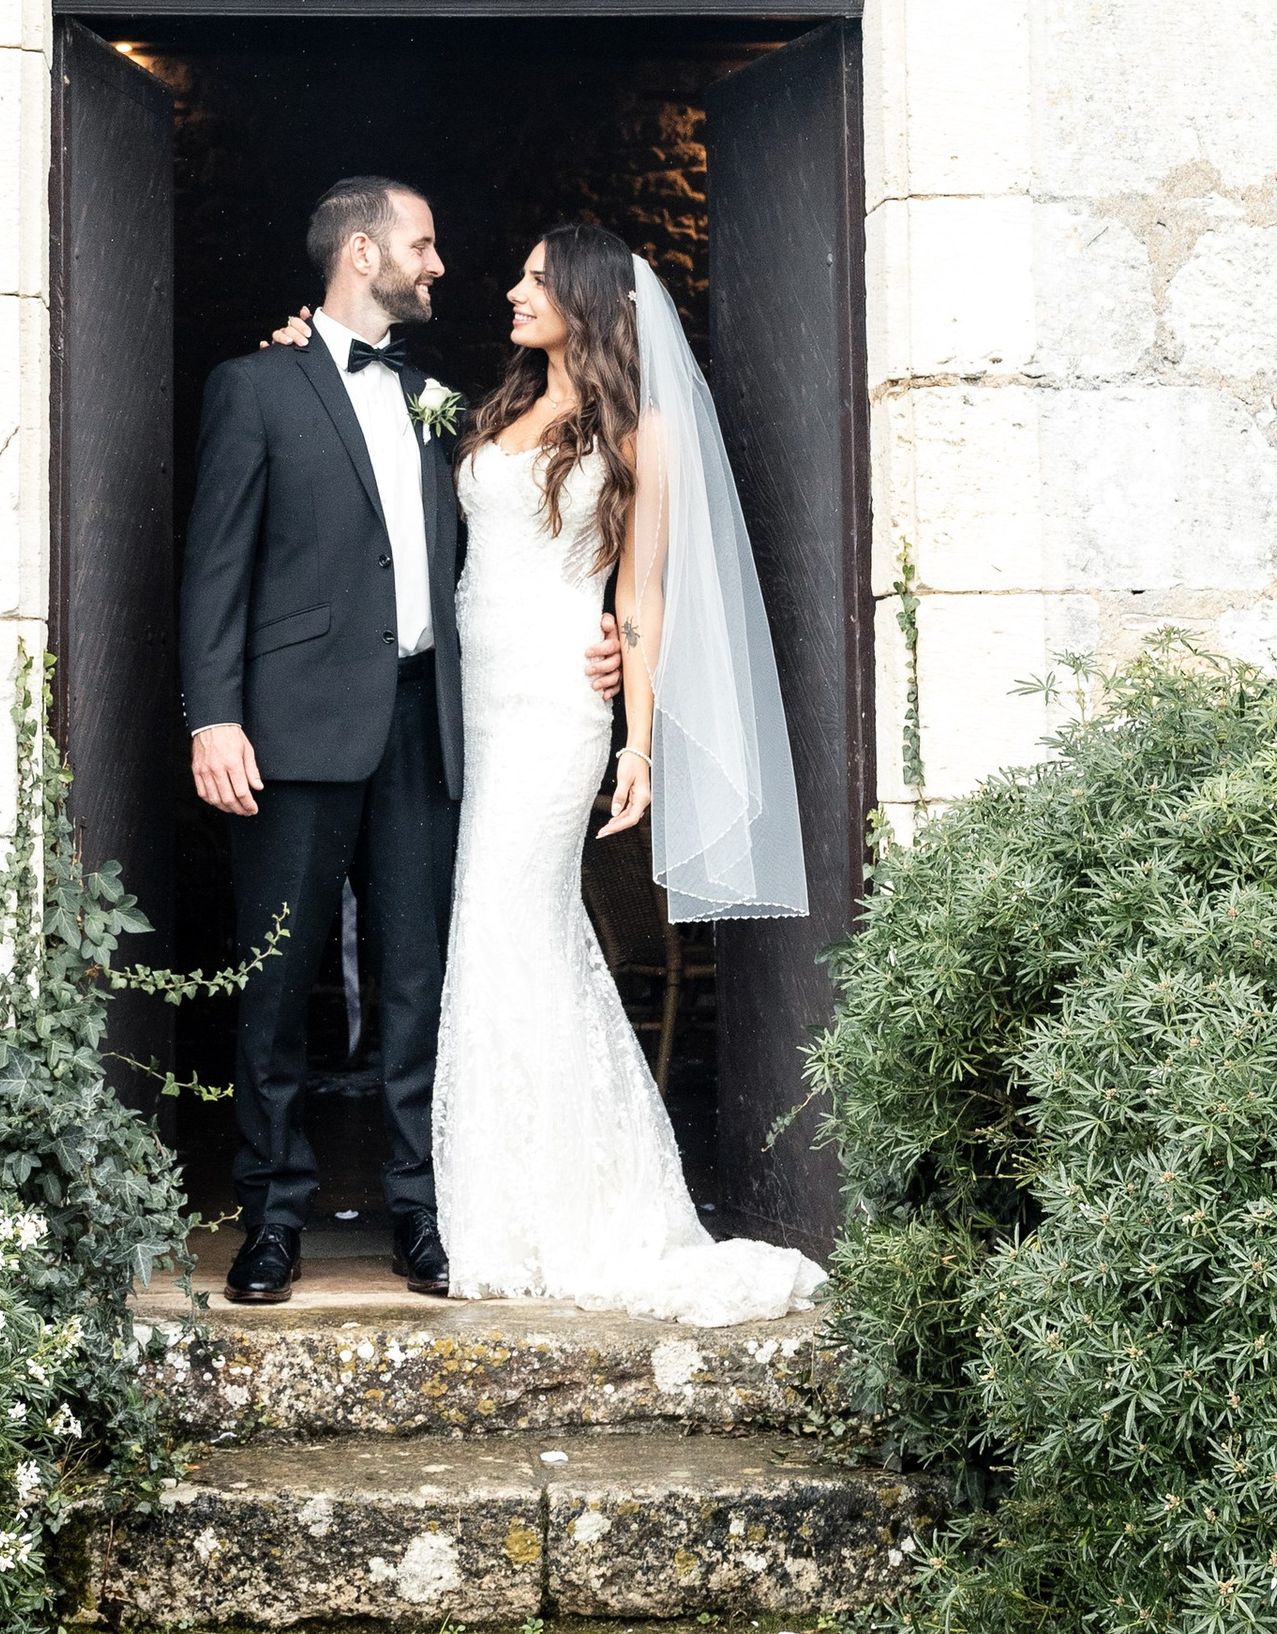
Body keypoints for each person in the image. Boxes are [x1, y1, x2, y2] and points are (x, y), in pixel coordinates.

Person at [178, 175, 621, 1309]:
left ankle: (423, 1216)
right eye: (423, 247)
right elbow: (216, 563)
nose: (439, 269)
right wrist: (212, 714)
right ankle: (272, 1217)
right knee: (277, 982)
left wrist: (605, 632)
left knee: (420, 979)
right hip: (290, 729)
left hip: (432, 725)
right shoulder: (253, 384)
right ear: (364, 250)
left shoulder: (445, 402)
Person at [434, 222, 823, 1319]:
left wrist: (638, 744)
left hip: (561, 702)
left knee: (515, 922)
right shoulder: (504, 408)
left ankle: (561, 1212)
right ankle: (506, 1198)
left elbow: (638, 598)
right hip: (472, 705)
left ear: (590, 300)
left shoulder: (638, 427)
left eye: (535, 279)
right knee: (497, 930)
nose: (511, 290)